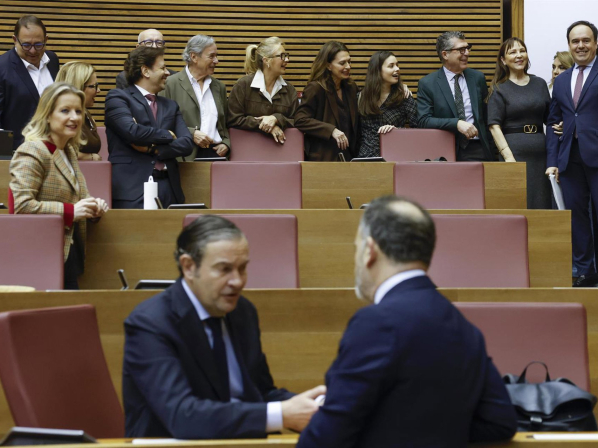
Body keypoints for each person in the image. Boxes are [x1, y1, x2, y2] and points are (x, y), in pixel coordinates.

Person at [297, 195, 517, 448]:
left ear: (370, 250)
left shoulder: (375, 323)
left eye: (356, 248)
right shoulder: (464, 328)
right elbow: (500, 422)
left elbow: (325, 439)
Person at [123, 215, 326, 438]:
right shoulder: (151, 323)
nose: (237, 281)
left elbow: (260, 393)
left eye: (242, 268)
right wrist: (281, 414)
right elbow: (182, 416)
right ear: (189, 267)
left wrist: (316, 407)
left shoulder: (242, 312)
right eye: (224, 269)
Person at [9, 82, 109, 289]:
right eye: (65, 111)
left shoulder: (68, 150)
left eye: (78, 111)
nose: (74, 117)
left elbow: (77, 198)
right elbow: (21, 206)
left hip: (68, 252)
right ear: (47, 115)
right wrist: (72, 211)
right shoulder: (33, 150)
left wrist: (93, 207)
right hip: (40, 257)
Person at [105, 46, 194, 209]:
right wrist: (168, 135)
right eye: (163, 68)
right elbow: (132, 132)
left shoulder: (170, 105)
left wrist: (154, 149)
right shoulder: (118, 98)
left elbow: (187, 144)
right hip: (132, 189)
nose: (167, 73)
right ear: (145, 71)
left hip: (169, 188)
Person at [547, 20, 598, 287]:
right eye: (575, 41)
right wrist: (552, 161)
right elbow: (553, 121)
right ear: (569, 45)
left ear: (596, 43)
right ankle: (585, 271)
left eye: (586, 40)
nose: (580, 45)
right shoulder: (562, 80)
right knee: (576, 216)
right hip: (570, 159)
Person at [487, 38, 551, 209]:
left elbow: (550, 118)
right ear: (503, 60)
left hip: (542, 153)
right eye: (513, 52)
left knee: (543, 202)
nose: (519, 55)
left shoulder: (539, 83)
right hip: (514, 153)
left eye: (522, 50)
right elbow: (494, 126)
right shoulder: (499, 88)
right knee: (519, 201)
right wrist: (508, 157)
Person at [417, 31, 495, 161]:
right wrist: (456, 123)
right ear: (445, 54)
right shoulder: (428, 84)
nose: (467, 53)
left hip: (476, 148)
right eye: (461, 50)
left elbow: (487, 116)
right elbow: (423, 120)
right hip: (443, 149)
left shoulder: (477, 78)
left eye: (467, 48)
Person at [162, 35, 230, 159]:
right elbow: (162, 122)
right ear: (194, 57)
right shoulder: (170, 84)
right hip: (184, 155)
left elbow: (224, 123)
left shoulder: (219, 87)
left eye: (216, 56)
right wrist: (191, 133)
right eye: (211, 56)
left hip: (215, 154)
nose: (216, 61)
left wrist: (226, 143)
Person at [0, 15, 59, 150]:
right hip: (19, 151)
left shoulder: (53, 60)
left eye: (38, 45)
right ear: (15, 40)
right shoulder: (2, 67)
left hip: (54, 149)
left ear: (46, 40)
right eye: (26, 45)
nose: (32, 51)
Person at [294, 41, 359, 161]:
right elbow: (300, 120)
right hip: (323, 158)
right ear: (328, 66)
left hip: (349, 158)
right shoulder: (316, 88)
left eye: (349, 62)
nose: (348, 67)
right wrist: (331, 130)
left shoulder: (351, 88)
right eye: (342, 63)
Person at [227, 37, 298, 145]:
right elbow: (232, 119)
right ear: (266, 60)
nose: (287, 60)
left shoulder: (289, 90)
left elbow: (298, 121)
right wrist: (265, 124)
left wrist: (276, 118)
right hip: (248, 149)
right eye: (282, 56)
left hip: (281, 150)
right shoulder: (243, 85)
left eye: (286, 56)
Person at [357, 51, 417, 158]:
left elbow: (418, 130)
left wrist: (397, 132)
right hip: (364, 158)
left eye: (397, 65)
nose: (397, 69)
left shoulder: (404, 97)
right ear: (377, 70)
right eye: (391, 66)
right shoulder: (361, 97)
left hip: (394, 157)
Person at [55, 61, 102, 160]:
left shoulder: (86, 114)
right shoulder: (57, 117)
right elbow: (55, 151)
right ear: (78, 86)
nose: (98, 90)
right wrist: (89, 157)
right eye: (93, 86)